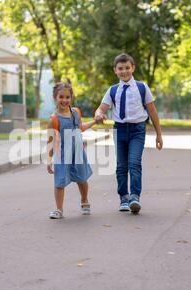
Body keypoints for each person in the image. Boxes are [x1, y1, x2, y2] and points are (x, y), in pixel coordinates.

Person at [94, 53, 163, 214]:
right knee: (121, 166)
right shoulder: (112, 90)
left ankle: (134, 197)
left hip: (137, 130)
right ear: (115, 71)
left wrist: (159, 134)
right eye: (120, 68)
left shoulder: (141, 87)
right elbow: (102, 108)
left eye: (127, 68)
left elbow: (152, 111)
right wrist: (98, 114)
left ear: (133, 68)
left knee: (134, 163)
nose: (124, 71)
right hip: (119, 130)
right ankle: (123, 197)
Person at [47, 82, 100, 219]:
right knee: (59, 181)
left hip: (77, 151)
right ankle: (59, 209)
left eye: (67, 97)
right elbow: (50, 141)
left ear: (71, 98)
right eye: (61, 97)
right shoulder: (53, 119)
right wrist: (49, 160)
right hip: (61, 154)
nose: (64, 100)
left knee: (81, 179)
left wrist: (94, 121)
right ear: (55, 97)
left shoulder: (75, 112)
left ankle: (84, 200)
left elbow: (80, 127)